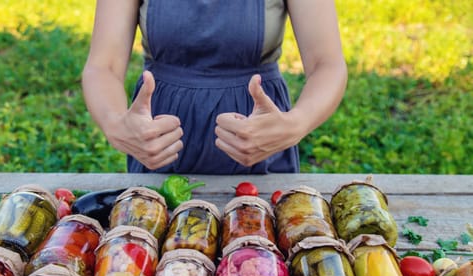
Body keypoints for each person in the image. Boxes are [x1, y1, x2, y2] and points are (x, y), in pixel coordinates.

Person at [81, 0, 347, 174]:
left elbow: (327, 65)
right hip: (160, 150)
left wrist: (296, 124)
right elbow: (103, 67)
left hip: (261, 150)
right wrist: (115, 125)